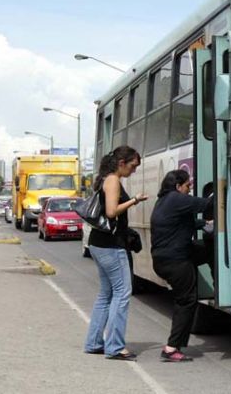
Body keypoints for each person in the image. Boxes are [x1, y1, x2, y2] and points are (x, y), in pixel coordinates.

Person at [83, 146, 148, 361]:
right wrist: (135, 200)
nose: (134, 171)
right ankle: (115, 347)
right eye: (132, 166)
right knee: (122, 294)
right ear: (122, 163)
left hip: (99, 243)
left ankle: (94, 343)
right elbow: (112, 212)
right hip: (112, 245)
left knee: (106, 295)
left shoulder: (105, 178)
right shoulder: (112, 180)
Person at [150, 169, 213, 362]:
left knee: (210, 250)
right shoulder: (176, 199)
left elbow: (182, 223)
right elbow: (208, 204)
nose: (190, 189)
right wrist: (223, 186)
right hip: (175, 260)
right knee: (186, 301)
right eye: (188, 186)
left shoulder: (164, 201)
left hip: (166, 257)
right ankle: (171, 348)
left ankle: (222, 284)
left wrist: (202, 223)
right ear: (178, 186)